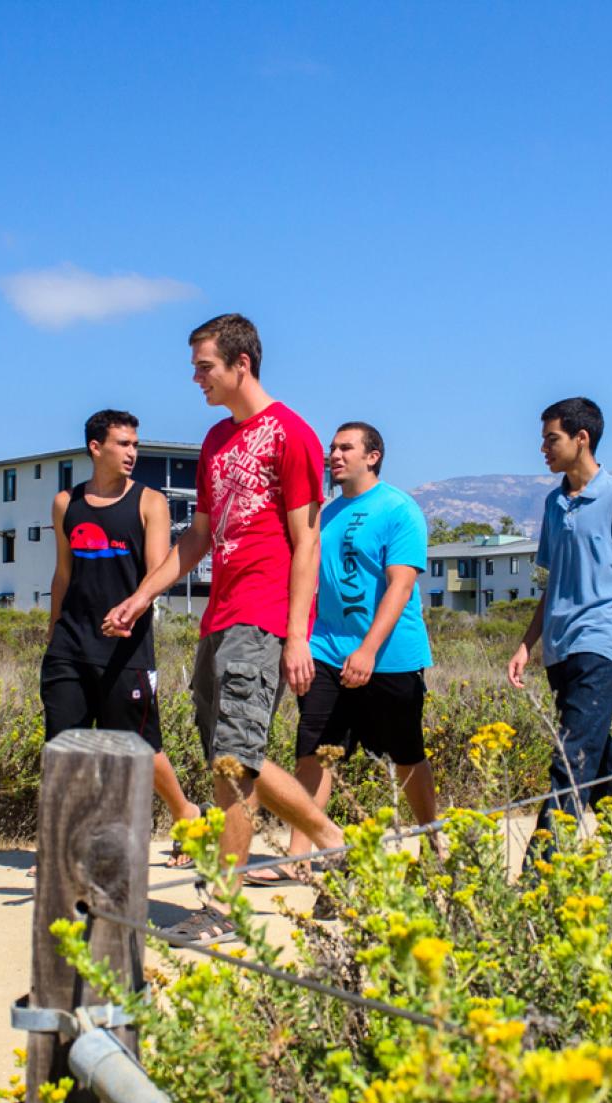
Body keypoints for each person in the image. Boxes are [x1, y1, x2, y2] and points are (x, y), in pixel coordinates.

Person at [105, 313, 345, 943]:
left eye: (204, 367)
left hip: (263, 614)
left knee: (232, 763)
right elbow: (200, 537)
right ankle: (330, 840)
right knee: (231, 753)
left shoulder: (292, 434)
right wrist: (142, 595)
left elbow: (307, 541)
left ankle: (222, 909)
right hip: (220, 612)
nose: (196, 378)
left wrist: (297, 634)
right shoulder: (215, 440)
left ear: (242, 364)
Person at [251, 421, 438, 882]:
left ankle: (435, 843)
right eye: (332, 448)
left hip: (389, 656)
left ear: (372, 456)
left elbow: (401, 585)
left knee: (406, 754)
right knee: (314, 750)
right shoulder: (324, 514)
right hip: (326, 651)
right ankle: (300, 858)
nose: (334, 455)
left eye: (345, 448)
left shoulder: (399, 508)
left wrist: (370, 649)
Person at [505, 397, 612, 864]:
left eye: (551, 438)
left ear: (582, 438)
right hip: (560, 647)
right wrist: (525, 644)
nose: (543, 448)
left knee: (570, 757)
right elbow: (553, 581)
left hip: (601, 641)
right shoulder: (554, 503)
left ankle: (541, 871)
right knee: (601, 767)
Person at [41, 409, 202, 868]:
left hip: (126, 647)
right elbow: (63, 573)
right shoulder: (64, 503)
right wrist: (53, 628)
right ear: (96, 448)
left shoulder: (150, 502)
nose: (133, 452)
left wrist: (132, 610)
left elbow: (156, 575)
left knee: (140, 749)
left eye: (135, 443)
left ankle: (186, 815)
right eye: (123, 444)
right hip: (70, 644)